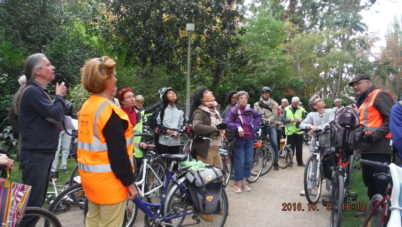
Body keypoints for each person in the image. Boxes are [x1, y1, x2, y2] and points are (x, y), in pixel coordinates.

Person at [78, 56, 138, 227]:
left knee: (93, 221)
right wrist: (130, 183)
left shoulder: (87, 106)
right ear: (105, 80)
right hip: (110, 183)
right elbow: (118, 155)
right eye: (113, 76)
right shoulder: (110, 112)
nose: (116, 79)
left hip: (90, 180)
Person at [18, 53, 66, 226]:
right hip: (36, 156)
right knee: (32, 208)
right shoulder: (32, 92)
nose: (53, 67)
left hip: (42, 154)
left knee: (36, 204)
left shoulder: (38, 92)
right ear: (37, 71)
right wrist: (59, 96)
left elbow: (53, 118)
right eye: (48, 65)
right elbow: (55, 114)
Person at [349, 74, 394, 199]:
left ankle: (382, 213)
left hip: (379, 147)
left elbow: (391, 119)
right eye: (354, 85)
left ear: (368, 83)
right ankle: (372, 209)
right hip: (366, 147)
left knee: (380, 182)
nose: (355, 87)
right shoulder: (363, 100)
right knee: (369, 181)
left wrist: (374, 136)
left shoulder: (379, 95)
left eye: (358, 83)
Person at [225, 91, 261, 193]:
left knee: (248, 161)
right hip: (238, 140)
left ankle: (244, 182)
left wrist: (253, 125)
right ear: (237, 100)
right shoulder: (234, 110)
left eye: (245, 98)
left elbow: (258, 117)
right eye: (241, 98)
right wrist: (238, 127)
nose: (243, 100)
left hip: (249, 139)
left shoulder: (250, 110)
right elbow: (227, 123)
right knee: (239, 162)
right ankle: (237, 184)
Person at [299, 95, 335, 196]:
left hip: (329, 143)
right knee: (313, 166)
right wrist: (310, 126)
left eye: (321, 100)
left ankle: (332, 188)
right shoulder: (311, 115)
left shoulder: (331, 111)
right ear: (315, 106)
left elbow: (332, 123)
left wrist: (317, 128)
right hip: (316, 144)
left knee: (330, 166)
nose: (322, 101)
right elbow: (302, 124)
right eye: (319, 101)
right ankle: (309, 188)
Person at [190, 87, 224, 169]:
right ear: (202, 99)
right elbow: (196, 127)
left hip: (216, 147)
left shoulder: (214, 110)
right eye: (206, 92)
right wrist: (214, 129)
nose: (211, 92)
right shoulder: (200, 111)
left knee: (219, 176)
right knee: (208, 178)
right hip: (206, 149)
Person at [118, 87, 147, 171]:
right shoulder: (118, 114)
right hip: (124, 152)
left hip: (138, 151)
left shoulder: (138, 113)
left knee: (139, 176)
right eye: (128, 97)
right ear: (122, 101)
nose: (132, 99)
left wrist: (143, 141)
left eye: (133, 96)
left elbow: (141, 129)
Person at [253, 87, 280, 170]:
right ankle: (256, 159)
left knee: (274, 143)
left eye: (268, 93)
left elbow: (275, 115)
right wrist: (263, 120)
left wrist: (268, 120)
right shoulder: (257, 104)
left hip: (271, 125)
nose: (266, 94)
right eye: (265, 93)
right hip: (261, 125)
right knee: (257, 142)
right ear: (262, 94)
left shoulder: (274, 103)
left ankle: (275, 161)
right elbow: (257, 114)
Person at [155, 87, 185, 155]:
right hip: (163, 143)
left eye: (173, 92)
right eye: (169, 93)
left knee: (175, 164)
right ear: (165, 97)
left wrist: (179, 132)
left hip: (176, 143)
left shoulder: (180, 110)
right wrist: (166, 131)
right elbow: (156, 125)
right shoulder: (161, 110)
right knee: (163, 163)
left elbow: (183, 125)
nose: (173, 94)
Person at [50, 99, 76, 174]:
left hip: (67, 127)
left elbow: (73, 116)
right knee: (56, 148)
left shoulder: (69, 104)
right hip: (57, 128)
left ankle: (63, 166)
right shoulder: (53, 102)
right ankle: (53, 168)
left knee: (66, 148)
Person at [8, 75, 27, 160]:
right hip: (23, 128)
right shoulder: (21, 94)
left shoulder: (20, 93)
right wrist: (17, 130)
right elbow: (12, 115)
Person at [283, 96, 306, 167]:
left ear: (298, 103)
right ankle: (290, 161)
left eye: (297, 103)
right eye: (294, 103)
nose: (296, 105)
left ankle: (300, 162)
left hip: (299, 131)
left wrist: (301, 120)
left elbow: (305, 118)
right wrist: (290, 120)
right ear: (291, 102)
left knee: (299, 148)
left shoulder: (302, 109)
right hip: (290, 131)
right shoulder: (286, 109)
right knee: (290, 148)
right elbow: (282, 119)